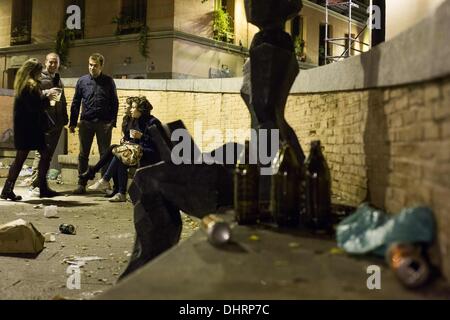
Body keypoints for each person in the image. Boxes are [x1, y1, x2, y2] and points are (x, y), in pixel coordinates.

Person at [79, 96, 162, 202]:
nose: (131, 110)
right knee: (119, 155)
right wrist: (128, 142)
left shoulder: (153, 122)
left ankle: (106, 181)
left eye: (133, 107)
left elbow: (158, 142)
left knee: (118, 153)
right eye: (131, 107)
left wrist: (142, 137)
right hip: (136, 151)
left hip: (150, 153)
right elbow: (134, 141)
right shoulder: (136, 120)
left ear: (141, 110)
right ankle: (119, 192)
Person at [1, 58, 60, 201]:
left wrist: (43, 96)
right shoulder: (30, 86)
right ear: (33, 72)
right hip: (30, 129)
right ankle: (39, 188)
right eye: (39, 72)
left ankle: (10, 189)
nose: (41, 74)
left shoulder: (24, 85)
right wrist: (48, 99)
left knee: (26, 158)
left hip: (25, 128)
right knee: (36, 156)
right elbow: (35, 107)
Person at [69, 53, 119, 195]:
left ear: (101, 66)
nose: (92, 67)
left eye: (95, 65)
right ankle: (81, 183)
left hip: (104, 123)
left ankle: (104, 183)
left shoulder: (108, 81)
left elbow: (114, 102)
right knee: (83, 154)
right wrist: (73, 122)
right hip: (86, 123)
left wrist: (112, 122)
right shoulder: (82, 81)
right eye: (90, 65)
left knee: (105, 154)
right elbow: (76, 102)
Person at [27, 53, 68, 193]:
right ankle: (34, 184)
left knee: (48, 155)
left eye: (55, 62)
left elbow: (62, 100)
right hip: (43, 121)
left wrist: (65, 117)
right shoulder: (39, 77)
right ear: (45, 62)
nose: (53, 65)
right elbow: (32, 95)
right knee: (41, 154)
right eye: (50, 62)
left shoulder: (58, 79)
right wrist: (46, 93)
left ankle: (42, 184)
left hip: (57, 122)